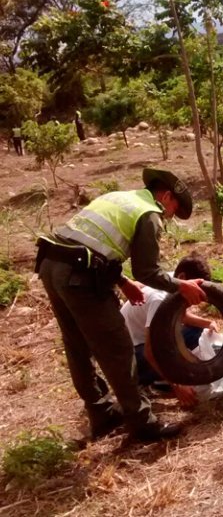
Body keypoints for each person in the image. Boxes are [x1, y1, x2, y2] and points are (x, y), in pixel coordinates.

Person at [36, 168, 207, 442]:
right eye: (173, 209)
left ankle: (102, 414)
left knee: (76, 345)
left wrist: (121, 281)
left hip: (51, 264)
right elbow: (148, 271)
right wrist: (180, 286)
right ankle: (143, 423)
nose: (169, 216)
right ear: (164, 196)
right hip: (79, 278)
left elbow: (93, 243)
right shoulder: (148, 213)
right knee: (118, 348)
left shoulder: (120, 197)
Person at [121, 253, 217, 408]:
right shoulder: (160, 298)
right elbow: (150, 351)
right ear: (182, 276)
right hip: (132, 355)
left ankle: (167, 373)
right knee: (169, 352)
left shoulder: (173, 280)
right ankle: (161, 380)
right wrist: (178, 386)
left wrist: (208, 323)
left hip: (147, 341)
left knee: (195, 330)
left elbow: (182, 316)